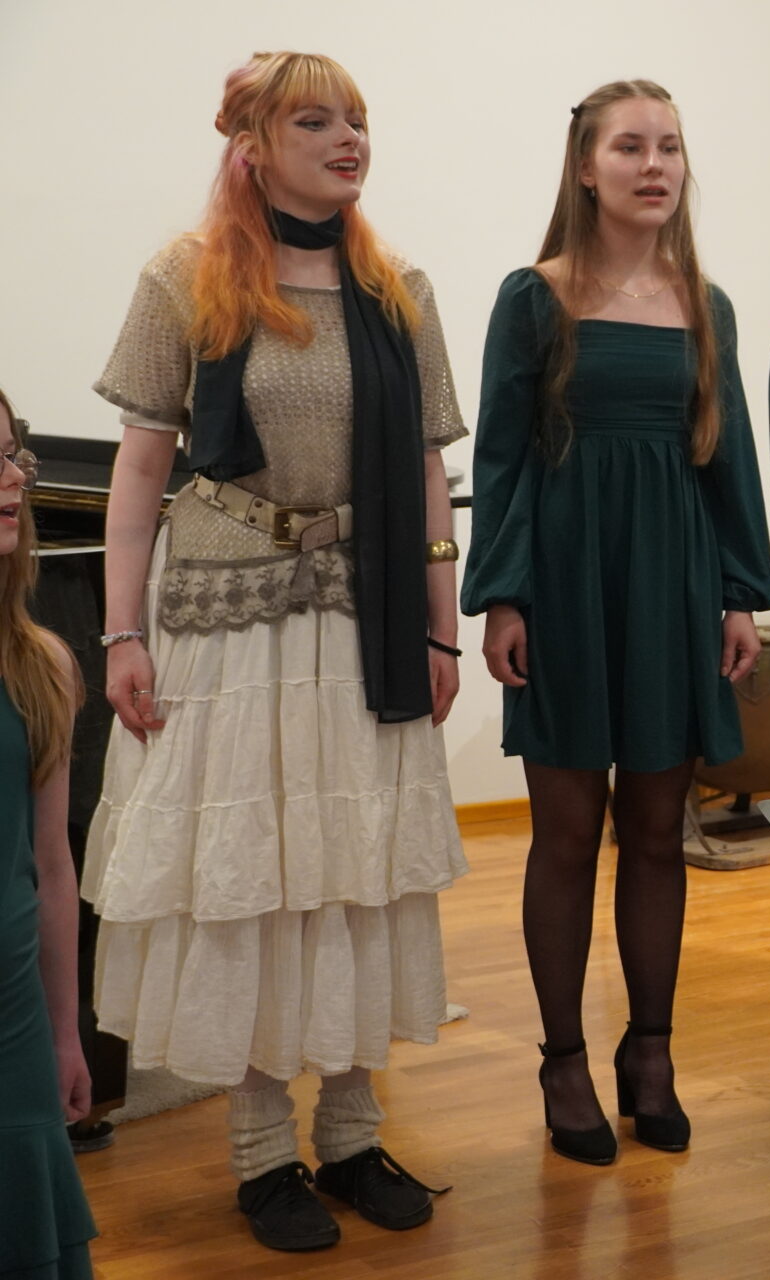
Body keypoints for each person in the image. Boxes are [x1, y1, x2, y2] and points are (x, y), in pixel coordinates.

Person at [86, 52, 466, 1251]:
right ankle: (262, 1152)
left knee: (355, 872)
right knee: (250, 878)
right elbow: (142, 466)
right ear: (252, 145)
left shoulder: (398, 288)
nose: (349, 139)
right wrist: (122, 629)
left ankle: (352, 1130)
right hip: (225, 617)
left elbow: (426, 472)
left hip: (362, 611)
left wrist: (442, 621)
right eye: (316, 121)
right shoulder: (186, 277)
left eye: (357, 119)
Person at [461, 79, 770, 1166]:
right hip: (564, 579)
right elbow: (501, 455)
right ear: (586, 167)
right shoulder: (535, 297)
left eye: (670, 147)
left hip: (673, 584)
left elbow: (729, 455)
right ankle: (562, 1061)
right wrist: (502, 596)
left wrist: (740, 592)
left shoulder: (707, 305)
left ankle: (651, 1053)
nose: (655, 166)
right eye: (631, 147)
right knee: (564, 834)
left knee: (655, 831)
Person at [0, 391, 97, 1279]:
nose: (12, 480)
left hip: (13, 1013)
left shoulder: (43, 664)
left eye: (12, 456)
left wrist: (67, 1035)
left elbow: (53, 866)